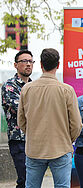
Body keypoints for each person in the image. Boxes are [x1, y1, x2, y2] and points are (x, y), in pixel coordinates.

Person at [17, 48, 83, 188]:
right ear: (58, 64)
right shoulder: (67, 90)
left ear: (41, 64)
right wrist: (67, 139)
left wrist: (33, 134)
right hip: (60, 148)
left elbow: (21, 121)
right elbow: (77, 124)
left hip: (34, 148)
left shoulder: (27, 89)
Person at [1, 50, 34, 188]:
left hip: (35, 139)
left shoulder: (35, 86)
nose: (28, 64)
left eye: (30, 61)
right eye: (24, 61)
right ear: (16, 65)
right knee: (24, 179)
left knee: (33, 180)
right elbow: (22, 109)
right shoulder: (9, 86)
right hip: (19, 140)